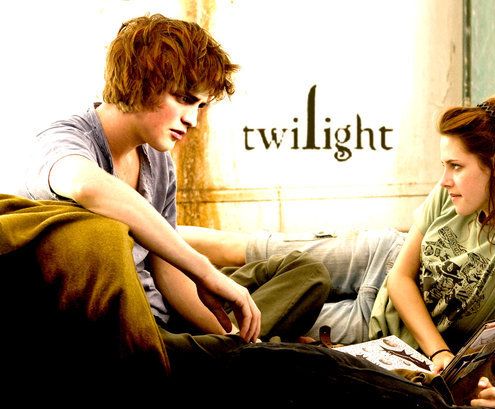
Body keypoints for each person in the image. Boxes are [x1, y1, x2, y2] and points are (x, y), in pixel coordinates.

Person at [184, 96, 495, 409]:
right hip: (376, 256)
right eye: (445, 165)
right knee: (241, 248)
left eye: (456, 166)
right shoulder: (447, 195)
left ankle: (173, 299)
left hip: (379, 330)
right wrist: (440, 350)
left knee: (256, 318)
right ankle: (155, 232)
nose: (444, 179)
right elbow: (401, 277)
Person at [18, 14, 330, 366]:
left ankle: (243, 350)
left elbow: (168, 273)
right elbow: (85, 185)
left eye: (200, 105)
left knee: (307, 272)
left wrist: (232, 334)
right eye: (184, 98)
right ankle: (250, 354)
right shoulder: (63, 139)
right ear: (140, 79)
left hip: (169, 321)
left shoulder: (158, 159)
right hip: (117, 334)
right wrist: (204, 269)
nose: (192, 119)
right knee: (293, 361)